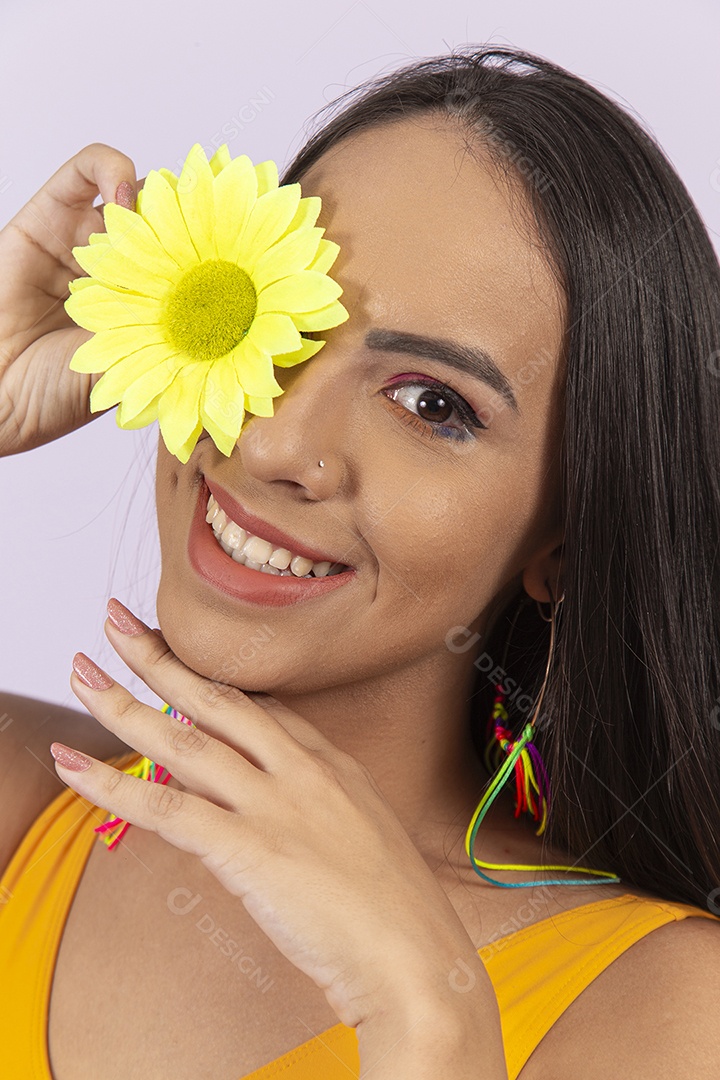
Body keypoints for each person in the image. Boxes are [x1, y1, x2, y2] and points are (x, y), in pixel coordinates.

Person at [1, 43, 719, 1080]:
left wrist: (427, 1025)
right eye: (272, 317)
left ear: (562, 543)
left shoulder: (660, 1010)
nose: (275, 442)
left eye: (433, 404)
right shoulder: (34, 804)